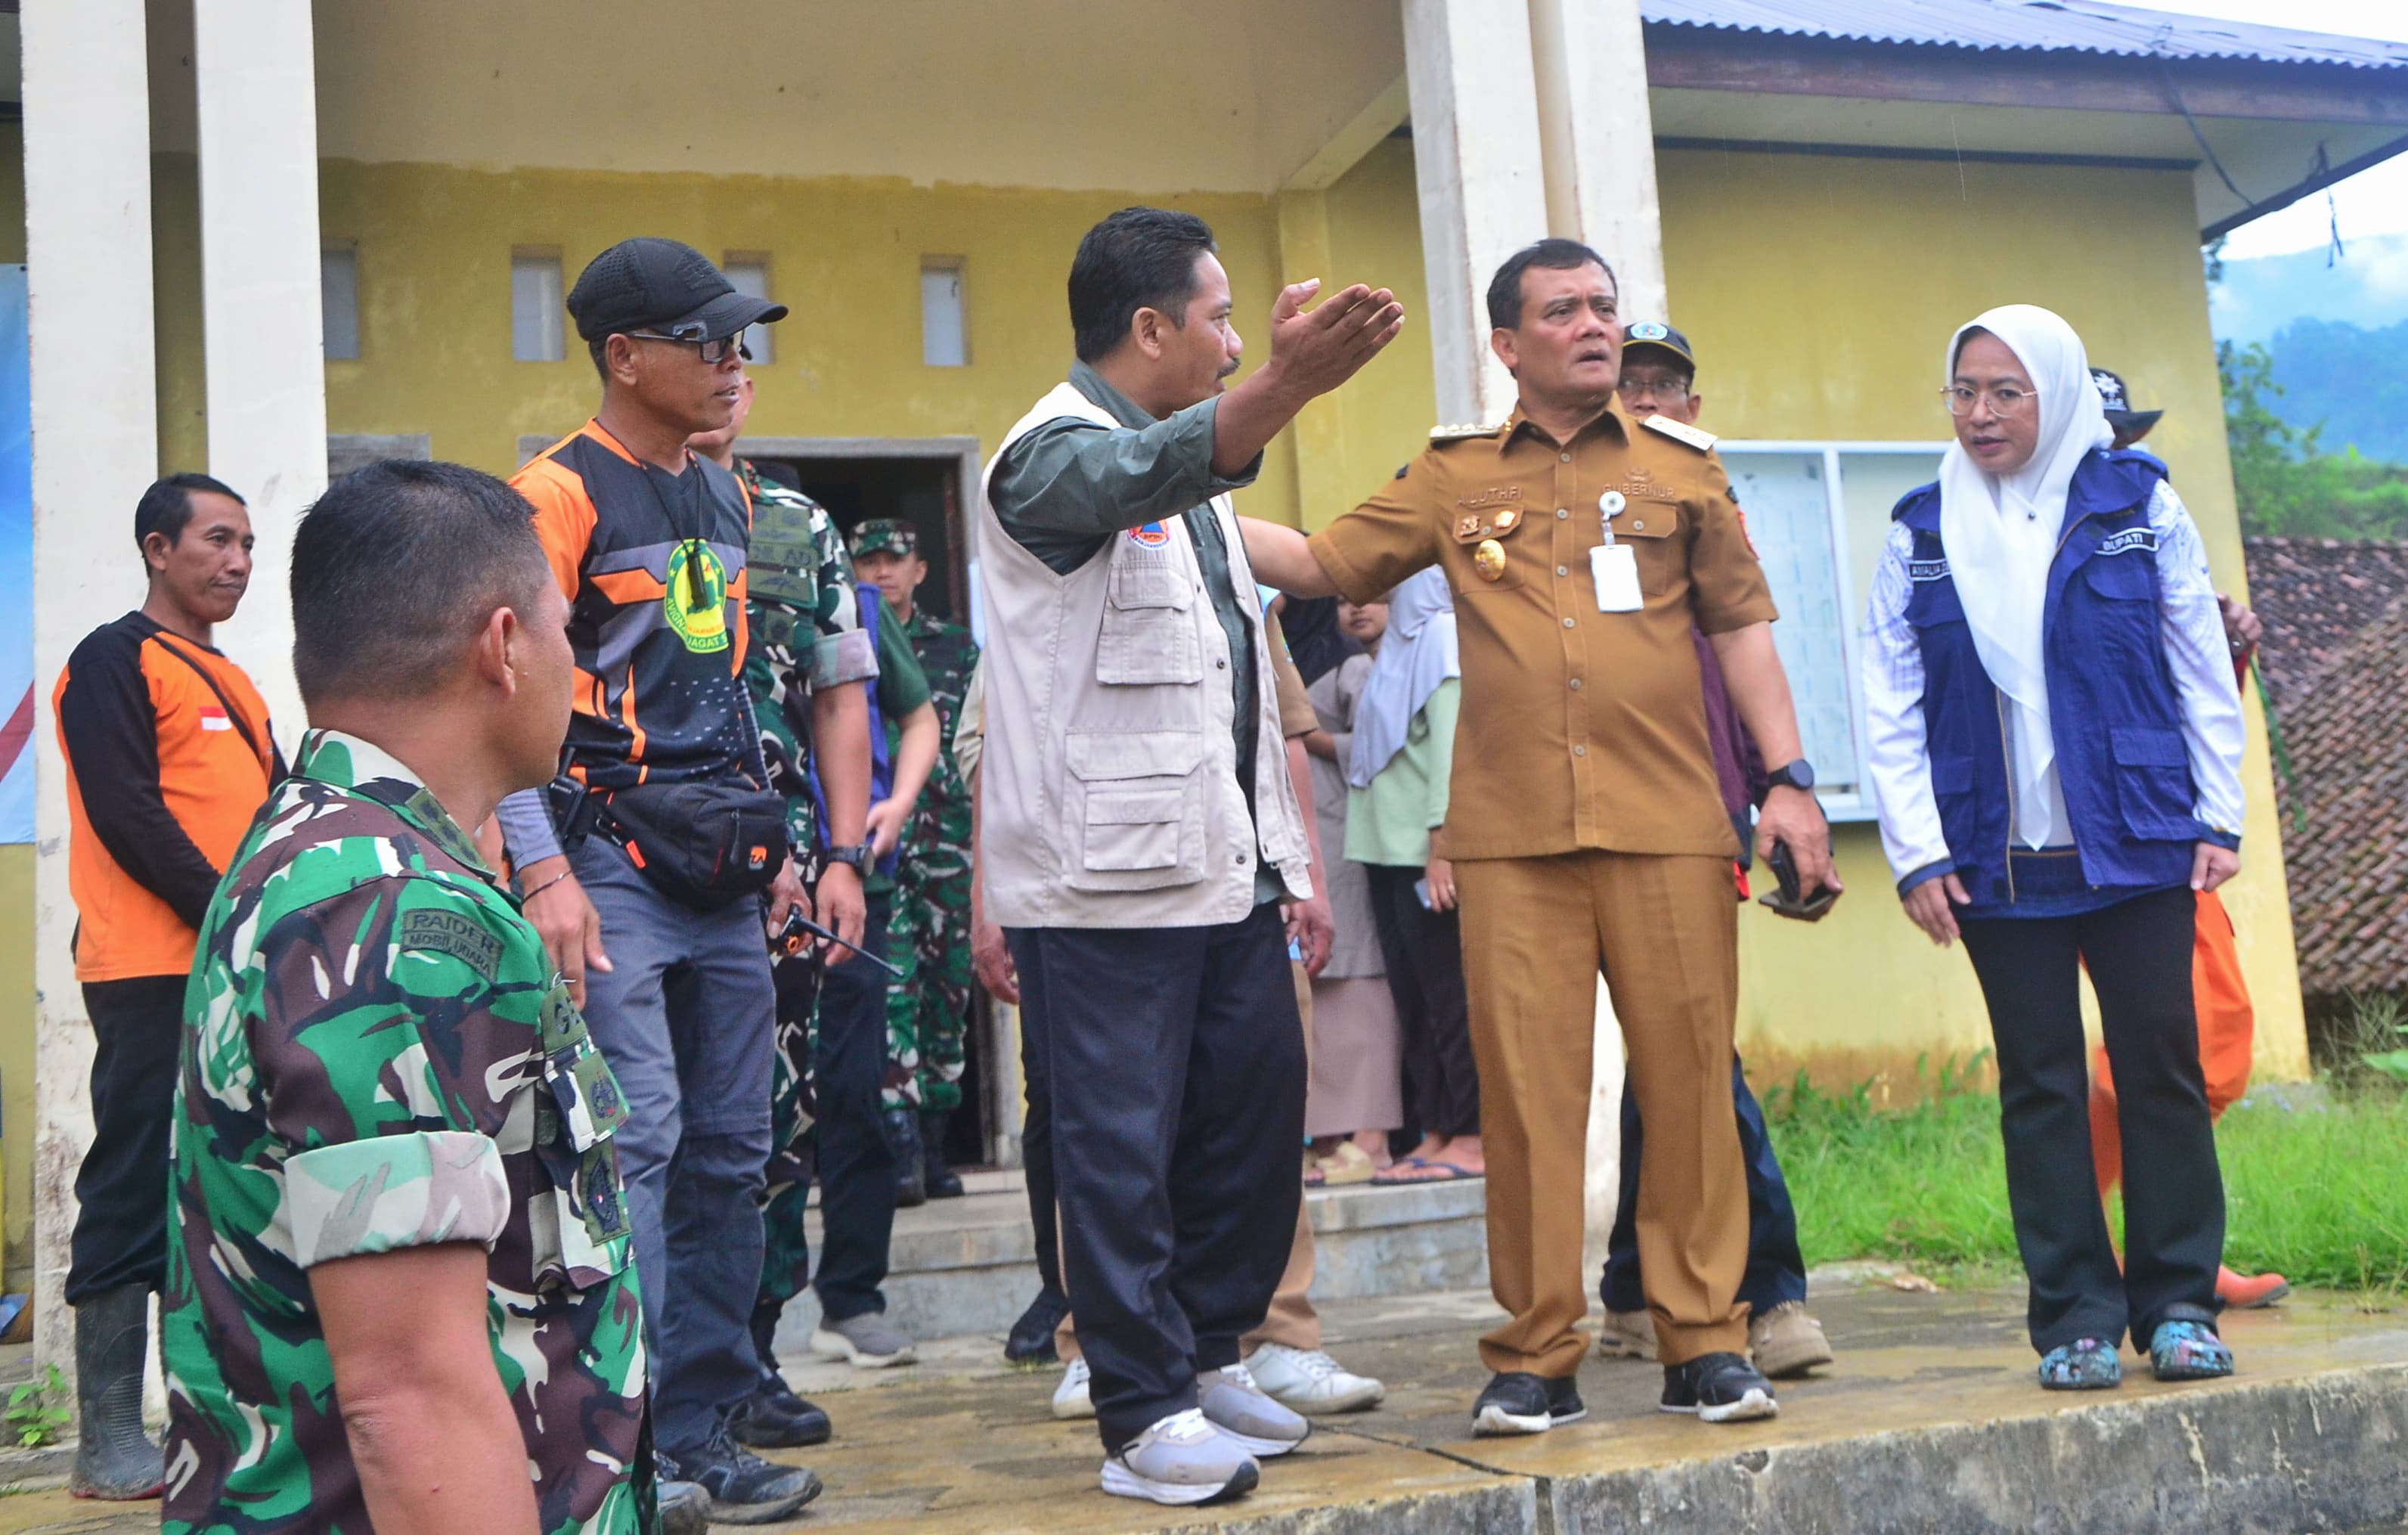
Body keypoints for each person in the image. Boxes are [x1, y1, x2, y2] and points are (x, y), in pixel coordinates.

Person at [1244, 237, 1834, 1434]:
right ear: (1508, 345)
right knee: (1525, 1101)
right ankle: (1533, 1355)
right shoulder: (1454, 475)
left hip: (1669, 826)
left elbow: (1744, 633)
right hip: (1511, 841)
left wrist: (1789, 780)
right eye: (1562, 310)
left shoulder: (1686, 471)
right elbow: (1319, 561)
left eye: (1603, 307)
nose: (1592, 325)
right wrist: (1172, 492)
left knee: (1688, 1090)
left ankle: (1705, 1341)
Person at [977, 206, 1401, 1504]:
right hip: (1102, 884)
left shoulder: (1197, 485)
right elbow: (1129, 483)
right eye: (1216, 318)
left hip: (1222, 864)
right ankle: (1140, 1407)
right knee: (1118, 1147)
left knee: (1246, 1122)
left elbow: (1238, 658)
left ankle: (1213, 1352)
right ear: (1149, 326)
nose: (1230, 341)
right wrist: (1287, 383)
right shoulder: (1045, 458)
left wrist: (1290, 862)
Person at [161, 460, 659, 1533]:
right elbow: (410, 1398)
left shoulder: (337, 853)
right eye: (562, 631)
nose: (572, 670)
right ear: (502, 644)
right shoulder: (384, 913)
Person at [493, 237, 823, 1521]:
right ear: (625, 356)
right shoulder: (553, 496)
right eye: (708, 339)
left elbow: (727, 693)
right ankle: (616, 1452)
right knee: (640, 1144)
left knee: (737, 1148)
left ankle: (701, 1439)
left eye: (740, 338)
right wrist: (542, 874)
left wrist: (779, 845)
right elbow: (511, 691)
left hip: (720, 871)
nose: (734, 361)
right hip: (605, 863)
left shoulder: (725, 499)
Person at [1863, 305, 2245, 1391]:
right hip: (1997, 855)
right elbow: (1885, 697)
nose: (1980, 413)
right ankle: (2075, 1312)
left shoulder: (2140, 506)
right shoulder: (1919, 528)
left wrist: (2218, 815)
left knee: (2161, 1069)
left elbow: (2196, 662)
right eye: (1964, 391)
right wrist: (1916, 851)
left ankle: (2177, 1301)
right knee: (2040, 1083)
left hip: (2136, 841)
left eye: (2005, 391)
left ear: (2059, 393)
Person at [1040, 609, 1387, 1424]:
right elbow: (1002, 749)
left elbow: (1284, 732)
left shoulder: (1234, 566)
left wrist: (1307, 877)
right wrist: (996, 899)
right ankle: (1103, 1346)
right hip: (1111, 887)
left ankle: (1264, 1335)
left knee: (1258, 1115)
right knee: (1118, 1126)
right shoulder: (1056, 538)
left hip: (1244, 886)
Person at [1598, 321, 1833, 1379]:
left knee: (1685, 1048)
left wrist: (1786, 794)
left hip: (1708, 816)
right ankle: (1765, 1286)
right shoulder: (1573, 507)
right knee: (1686, 1050)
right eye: (1629, 381)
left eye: (1667, 385)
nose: (1649, 398)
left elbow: (1751, 666)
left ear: (1694, 406)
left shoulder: (1718, 509)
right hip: (1598, 819)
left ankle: (1650, 1287)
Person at [54, 473, 275, 1502]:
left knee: (235, 1181)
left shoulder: (232, 678)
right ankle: (106, 1434)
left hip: (234, 962)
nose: (236, 561)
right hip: (148, 969)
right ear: (157, 547)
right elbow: (128, 814)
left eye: (246, 543)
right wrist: (234, 899)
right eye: (216, 540)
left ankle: (230, 1412)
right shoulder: (114, 658)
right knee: (133, 1176)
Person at [687, 374, 877, 1447]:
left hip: (785, 883)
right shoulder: (600, 510)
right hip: (638, 872)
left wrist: (843, 854)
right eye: (694, 353)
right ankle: (651, 1373)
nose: (718, 383)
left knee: (773, 1116)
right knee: (655, 1128)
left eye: (733, 362)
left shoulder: (798, 529)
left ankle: (747, 1353)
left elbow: (841, 692)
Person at [2084, 365, 2288, 1312]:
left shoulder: (2154, 518)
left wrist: (2227, 644)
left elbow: (2192, 704)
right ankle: (2129, 1254)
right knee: (2158, 1046)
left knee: (2213, 1035)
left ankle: (2161, 1247)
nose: (2113, 447)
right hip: (2079, 836)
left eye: (2121, 431)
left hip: (2168, 829)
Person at [800, 571, 938, 1350]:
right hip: (734, 879)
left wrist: (900, 799)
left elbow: (916, 717)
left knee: (853, 1083)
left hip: (854, 878)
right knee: (747, 1102)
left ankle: (851, 1298)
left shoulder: (850, 600)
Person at [852, 517, 981, 1201]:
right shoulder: (846, 639)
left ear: (920, 570)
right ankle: (899, 1147)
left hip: (948, 845)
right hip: (875, 845)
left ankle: (936, 1144)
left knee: (946, 990)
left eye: (894, 560)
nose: (882, 572)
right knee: (889, 986)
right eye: (867, 560)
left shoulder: (958, 649)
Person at [1345, 569, 1482, 1186]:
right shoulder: (1401, 646)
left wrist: (1444, 843)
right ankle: (1436, 1130)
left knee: (1451, 999)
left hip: (1426, 853)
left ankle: (1474, 1134)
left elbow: (1451, 752)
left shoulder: (1443, 638)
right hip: (1385, 851)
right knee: (1417, 1002)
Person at [1300, 595, 1402, 1183]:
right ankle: (1331, 1136)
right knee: (1323, 995)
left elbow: (1378, 745)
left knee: (1361, 987)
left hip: (1346, 837)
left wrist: (1315, 741)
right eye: (1340, 601)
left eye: (1369, 598)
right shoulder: (1296, 658)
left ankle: (1374, 1137)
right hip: (1307, 844)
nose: (1353, 611)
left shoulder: (1352, 668)